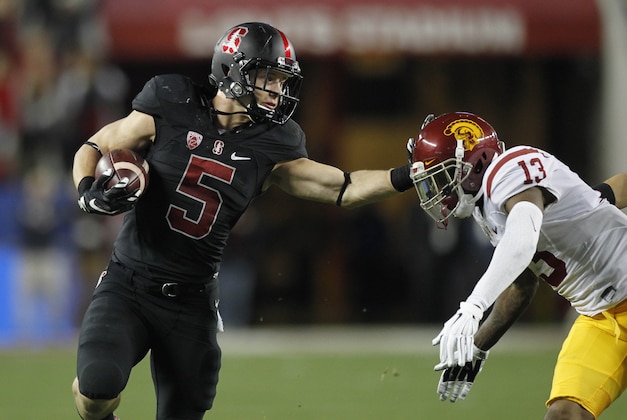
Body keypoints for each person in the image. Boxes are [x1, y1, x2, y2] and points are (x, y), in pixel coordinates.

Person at [71, 22, 415, 420]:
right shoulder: (171, 101)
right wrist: (86, 190)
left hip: (191, 301)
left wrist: (406, 176)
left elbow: (345, 186)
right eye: (266, 76)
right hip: (128, 283)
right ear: (233, 71)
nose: (276, 89)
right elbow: (98, 144)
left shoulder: (273, 143)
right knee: (96, 389)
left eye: (280, 79)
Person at [408, 111, 627, 419]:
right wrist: (477, 348)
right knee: (564, 414)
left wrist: (474, 305)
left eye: (442, 177)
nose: (438, 192)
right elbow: (522, 285)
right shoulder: (486, 209)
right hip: (601, 318)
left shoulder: (509, 168)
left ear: (474, 162)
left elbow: (524, 237)